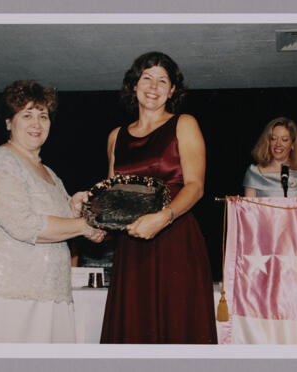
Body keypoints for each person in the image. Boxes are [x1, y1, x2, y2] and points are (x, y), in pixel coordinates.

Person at [0, 80, 105, 343]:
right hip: (6, 289)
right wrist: (84, 227)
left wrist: (76, 208)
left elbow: (61, 220)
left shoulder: (51, 174)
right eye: (27, 115)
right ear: (9, 122)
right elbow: (24, 225)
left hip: (48, 289)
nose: (37, 123)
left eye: (43, 116)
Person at [100, 51, 217, 344]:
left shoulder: (184, 124)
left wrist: (164, 218)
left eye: (162, 80)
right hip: (132, 245)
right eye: (146, 78)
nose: (153, 87)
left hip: (175, 238)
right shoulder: (116, 136)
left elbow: (195, 186)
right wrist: (87, 203)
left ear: (172, 90)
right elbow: (114, 195)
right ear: (134, 85)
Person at [243, 116, 297, 197]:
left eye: (284, 139)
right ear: (268, 142)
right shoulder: (255, 173)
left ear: (293, 144)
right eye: (273, 139)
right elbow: (248, 208)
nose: (278, 144)